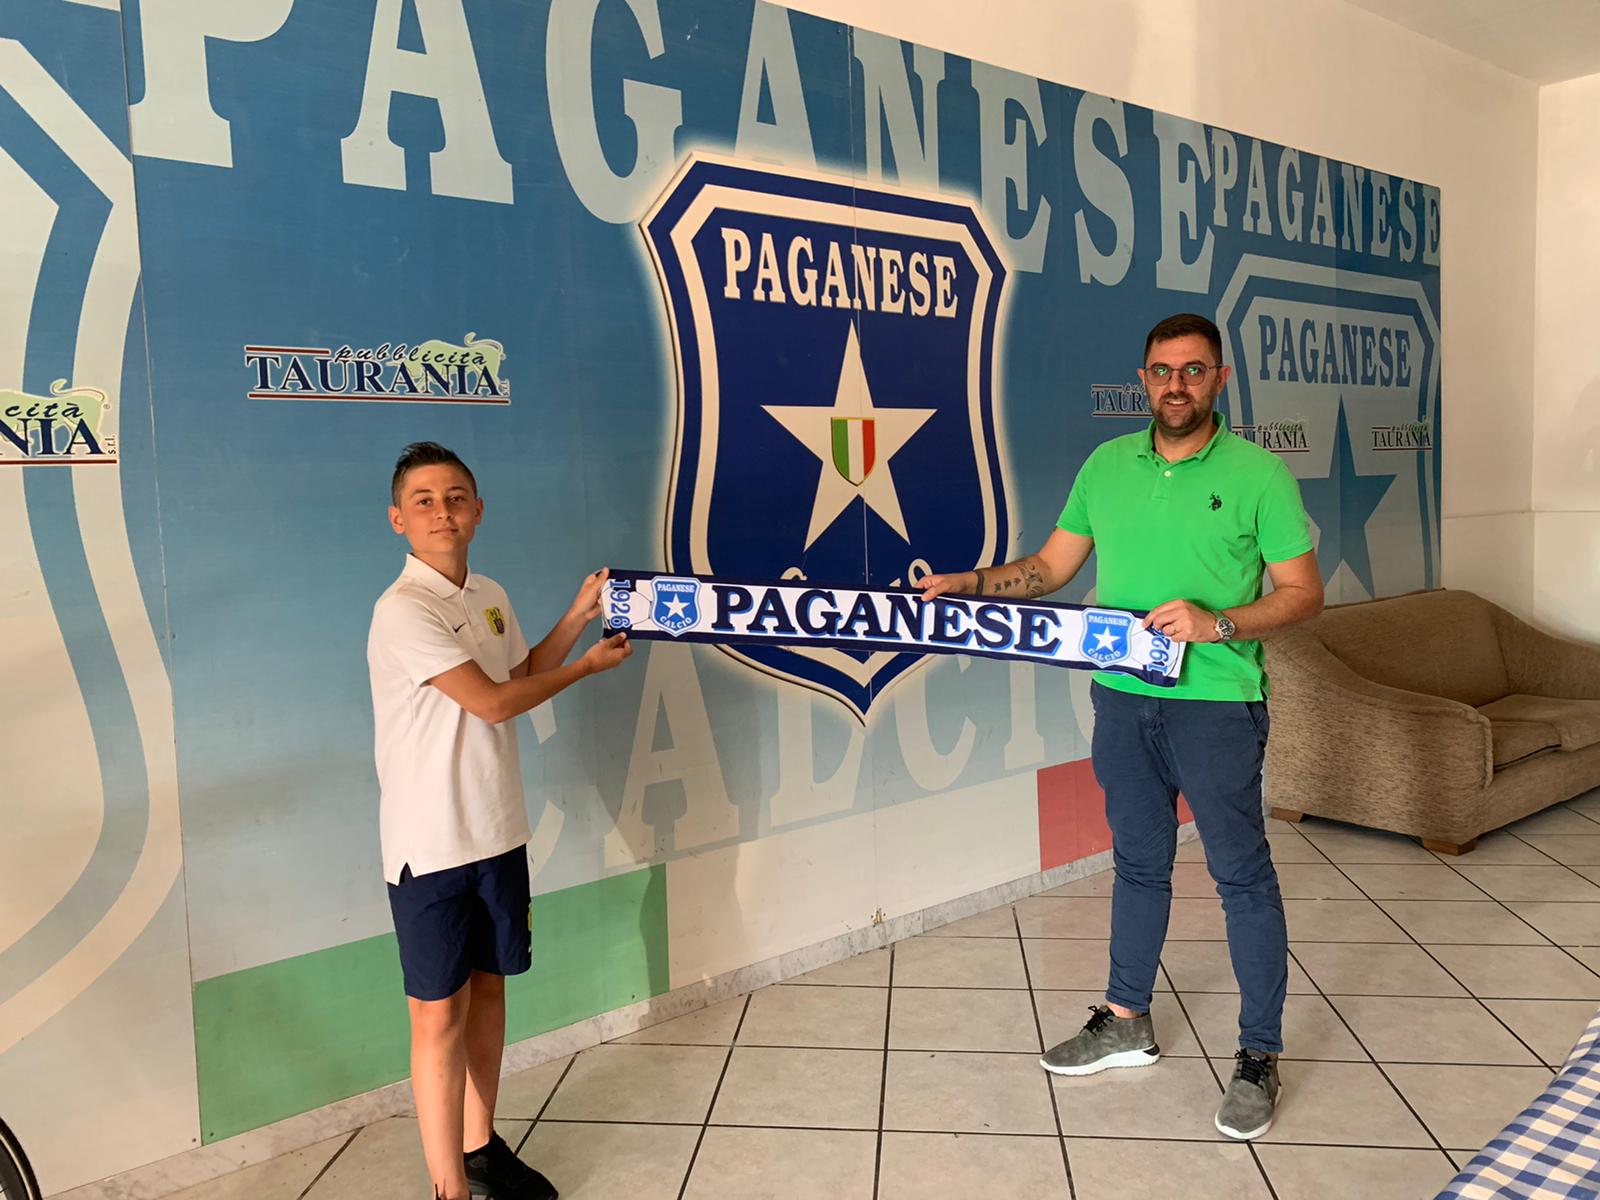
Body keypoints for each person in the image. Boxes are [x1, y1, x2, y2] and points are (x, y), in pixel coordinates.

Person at [920, 313, 1323, 1140]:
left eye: (1194, 370)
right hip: (1121, 700)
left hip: (1216, 706)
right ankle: (1126, 1020)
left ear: (1220, 379)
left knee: (1241, 877)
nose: (1176, 385)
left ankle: (1258, 1054)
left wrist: (1217, 624)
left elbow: (1302, 594)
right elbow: (1049, 568)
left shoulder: (1259, 475)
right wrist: (973, 583)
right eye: (1162, 371)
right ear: (1144, 380)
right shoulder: (1106, 465)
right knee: (1139, 865)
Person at [368, 442, 632, 1199]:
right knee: (436, 1016)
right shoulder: (403, 611)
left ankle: (480, 1148)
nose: (442, 511)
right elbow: (489, 704)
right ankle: (448, 1187)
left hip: (497, 832)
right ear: (397, 519)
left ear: (478, 511)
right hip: (430, 847)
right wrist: (584, 670)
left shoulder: (487, 594)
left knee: (489, 991)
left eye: (456, 497)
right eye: (423, 500)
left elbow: (517, 674)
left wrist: (577, 618)